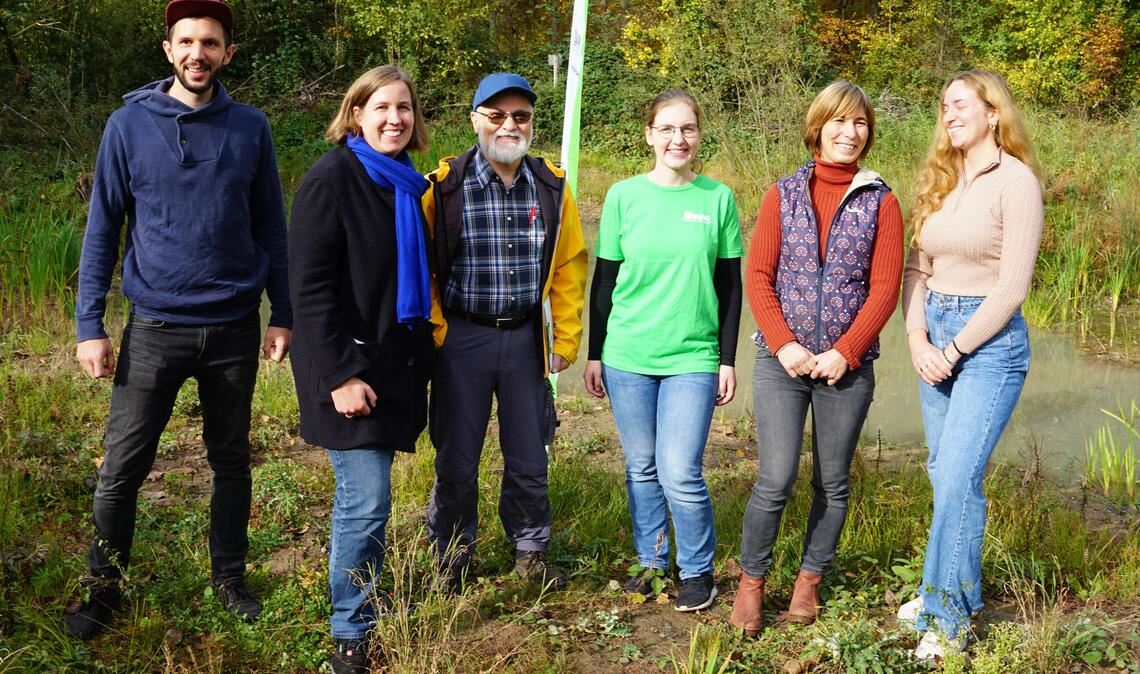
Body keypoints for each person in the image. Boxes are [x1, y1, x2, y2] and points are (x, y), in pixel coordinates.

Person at [67, 0, 290, 640]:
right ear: (169, 50)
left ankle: (230, 580)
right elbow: (102, 229)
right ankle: (103, 590)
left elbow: (272, 226)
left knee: (231, 459)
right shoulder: (127, 126)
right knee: (122, 466)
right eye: (187, 41)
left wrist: (284, 315)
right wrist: (90, 325)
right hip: (155, 329)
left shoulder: (250, 127)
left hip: (233, 328)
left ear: (228, 54)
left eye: (212, 43)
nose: (199, 53)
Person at [730, 80, 904, 636]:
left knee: (832, 482)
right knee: (774, 479)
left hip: (845, 370)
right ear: (818, 127)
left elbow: (884, 289)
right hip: (781, 364)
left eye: (860, 124)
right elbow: (758, 275)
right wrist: (784, 344)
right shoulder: (781, 193)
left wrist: (845, 353)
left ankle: (808, 582)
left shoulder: (883, 200)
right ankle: (751, 583)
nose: (849, 133)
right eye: (839, 121)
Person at [288, 65, 436, 674]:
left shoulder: (409, 185)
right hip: (344, 366)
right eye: (380, 108)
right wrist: (341, 375)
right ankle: (351, 629)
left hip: (394, 362)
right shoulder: (331, 179)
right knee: (366, 498)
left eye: (404, 108)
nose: (394, 119)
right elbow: (310, 290)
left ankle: (362, 603)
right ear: (355, 114)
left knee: (369, 496)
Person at [898, 69, 1043, 661]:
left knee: (959, 477)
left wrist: (955, 349)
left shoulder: (1017, 182)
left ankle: (950, 624)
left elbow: (1011, 288)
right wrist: (916, 340)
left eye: (959, 104)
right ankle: (940, 591)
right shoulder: (941, 180)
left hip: (989, 347)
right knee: (943, 473)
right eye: (943, 106)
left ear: (992, 111)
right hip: (933, 335)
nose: (948, 113)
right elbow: (916, 270)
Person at [424, 73, 587, 592]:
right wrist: (434, 335)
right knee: (456, 458)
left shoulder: (553, 186)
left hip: (524, 339)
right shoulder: (442, 186)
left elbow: (568, 268)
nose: (508, 125)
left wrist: (564, 339)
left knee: (528, 452)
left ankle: (530, 551)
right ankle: (452, 556)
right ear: (474, 119)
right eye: (496, 115)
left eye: (520, 116)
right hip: (462, 338)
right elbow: (422, 268)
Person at [583, 89, 742, 612]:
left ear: (699, 136)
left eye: (688, 129)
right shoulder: (624, 196)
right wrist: (595, 352)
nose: (679, 139)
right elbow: (604, 281)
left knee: (680, 470)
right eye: (667, 129)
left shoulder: (717, 199)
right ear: (649, 134)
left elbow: (731, 285)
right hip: (627, 354)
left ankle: (697, 571)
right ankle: (652, 563)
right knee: (641, 467)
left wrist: (726, 358)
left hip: (692, 358)